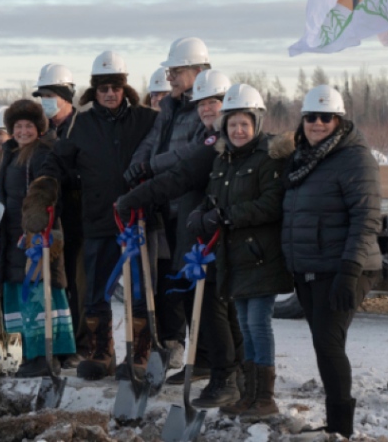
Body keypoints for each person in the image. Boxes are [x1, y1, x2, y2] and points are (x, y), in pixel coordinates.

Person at [116, 74, 246, 402]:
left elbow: (180, 176)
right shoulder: (210, 137)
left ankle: (228, 377)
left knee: (216, 310)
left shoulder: (215, 142)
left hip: (212, 238)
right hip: (200, 233)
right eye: (201, 103)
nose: (205, 109)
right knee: (211, 307)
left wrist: (136, 196)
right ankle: (224, 368)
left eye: (212, 102)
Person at [33, 51, 157, 380]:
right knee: (96, 292)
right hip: (99, 219)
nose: (109, 93)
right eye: (103, 88)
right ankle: (101, 351)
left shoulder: (146, 120)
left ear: (125, 88)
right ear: (94, 91)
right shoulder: (81, 125)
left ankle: (139, 353)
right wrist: (43, 189)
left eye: (115, 87)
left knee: (140, 291)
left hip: (140, 220)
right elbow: (56, 162)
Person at [182, 84, 293, 416]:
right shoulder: (224, 159)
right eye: (232, 124)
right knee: (245, 325)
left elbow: (270, 205)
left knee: (258, 323)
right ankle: (249, 394)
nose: (238, 130)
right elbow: (214, 197)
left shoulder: (268, 158)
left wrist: (226, 217)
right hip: (235, 257)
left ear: (256, 123)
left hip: (260, 255)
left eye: (245, 124)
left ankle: (265, 397)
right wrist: (200, 213)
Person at [281, 85, 381, 438]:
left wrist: (349, 270)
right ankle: (337, 426)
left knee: (328, 343)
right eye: (311, 117)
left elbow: (367, 217)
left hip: (344, 266)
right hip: (310, 266)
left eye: (326, 117)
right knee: (323, 343)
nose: (318, 123)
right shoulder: (302, 158)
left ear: (339, 121)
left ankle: (341, 429)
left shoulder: (355, 158)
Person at [126, 37, 213, 383]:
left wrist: (152, 167)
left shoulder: (204, 109)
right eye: (171, 71)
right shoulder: (171, 108)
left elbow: (192, 154)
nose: (171, 77)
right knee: (170, 285)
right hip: (163, 207)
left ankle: (203, 357)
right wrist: (135, 168)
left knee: (196, 286)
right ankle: (178, 350)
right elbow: (150, 143)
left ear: (198, 70)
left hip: (191, 204)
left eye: (177, 71)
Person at [0, 99, 76, 377]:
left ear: (39, 129)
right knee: (13, 297)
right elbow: (6, 191)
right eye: (18, 126)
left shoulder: (43, 153)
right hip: (10, 235)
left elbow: (47, 187)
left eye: (29, 126)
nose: (23, 131)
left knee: (38, 298)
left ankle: (44, 357)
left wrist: (37, 222)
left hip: (36, 236)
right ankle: (13, 357)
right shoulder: (9, 152)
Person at [32, 63, 87, 368]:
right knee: (62, 283)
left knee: (79, 283)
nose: (45, 101)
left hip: (80, 217)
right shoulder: (50, 132)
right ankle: (65, 343)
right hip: (57, 219)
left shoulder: (83, 127)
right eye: (42, 95)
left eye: (50, 94)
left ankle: (82, 344)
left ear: (67, 96)